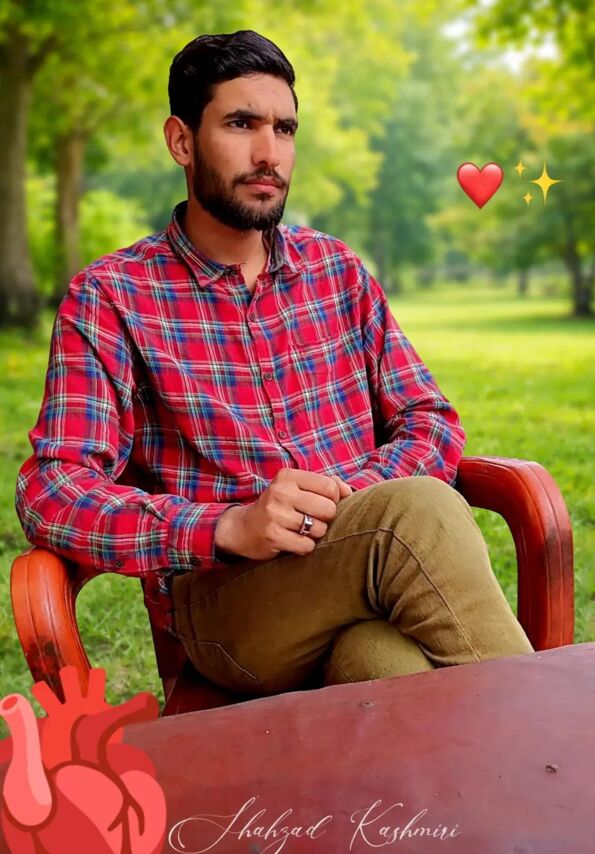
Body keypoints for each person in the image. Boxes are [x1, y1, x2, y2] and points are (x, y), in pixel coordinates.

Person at [15, 30, 533, 698]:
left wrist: (348, 501)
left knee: (385, 666)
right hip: (231, 603)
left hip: (359, 570)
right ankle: (562, 740)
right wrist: (229, 526)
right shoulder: (113, 296)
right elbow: (52, 490)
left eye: (284, 129)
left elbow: (429, 418)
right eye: (241, 124)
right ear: (181, 141)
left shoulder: (336, 270)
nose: (270, 154)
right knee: (420, 514)